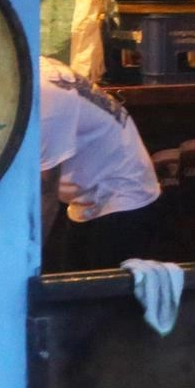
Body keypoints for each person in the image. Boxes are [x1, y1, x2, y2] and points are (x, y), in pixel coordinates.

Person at [39, 55, 162, 272]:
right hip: (87, 195)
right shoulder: (37, 69)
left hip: (121, 195)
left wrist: (23, 262)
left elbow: (45, 192)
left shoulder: (44, 96)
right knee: (75, 291)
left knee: (99, 297)